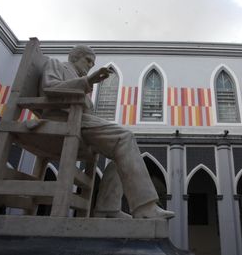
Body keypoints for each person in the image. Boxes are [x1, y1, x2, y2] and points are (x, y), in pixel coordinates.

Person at [40, 45, 174, 219]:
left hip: (80, 121)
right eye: (87, 60)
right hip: (64, 120)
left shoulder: (78, 78)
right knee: (125, 137)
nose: (90, 65)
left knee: (122, 151)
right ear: (74, 57)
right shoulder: (57, 64)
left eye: (92, 63)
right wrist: (88, 81)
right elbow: (50, 88)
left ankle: (108, 208)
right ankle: (145, 208)